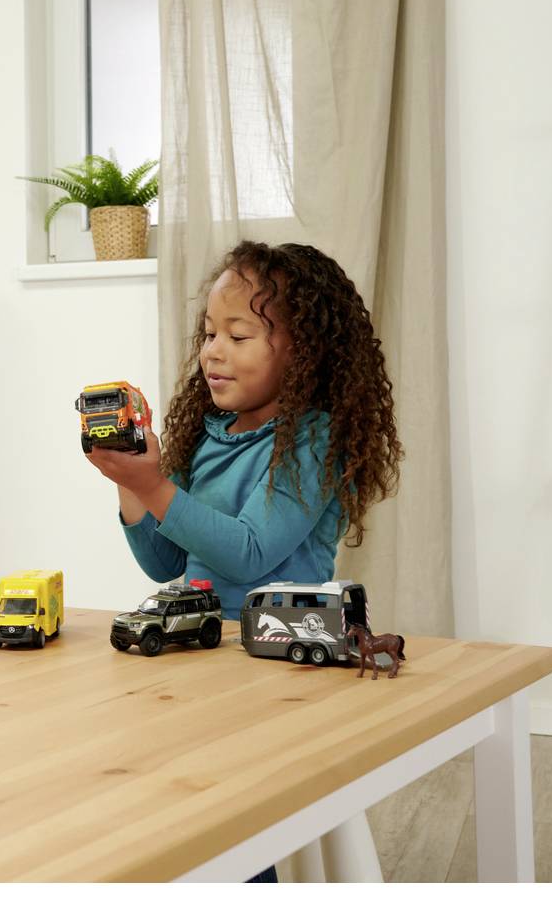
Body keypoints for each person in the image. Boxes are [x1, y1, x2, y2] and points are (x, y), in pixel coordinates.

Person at [84, 240, 403, 883]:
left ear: (304, 351)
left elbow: (251, 553)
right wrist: (126, 477)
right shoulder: (206, 433)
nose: (213, 351)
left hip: (274, 661)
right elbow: (161, 559)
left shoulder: (315, 440)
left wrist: (155, 487)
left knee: (240, 827)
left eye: (239, 333)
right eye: (208, 333)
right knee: (188, 817)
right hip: (203, 654)